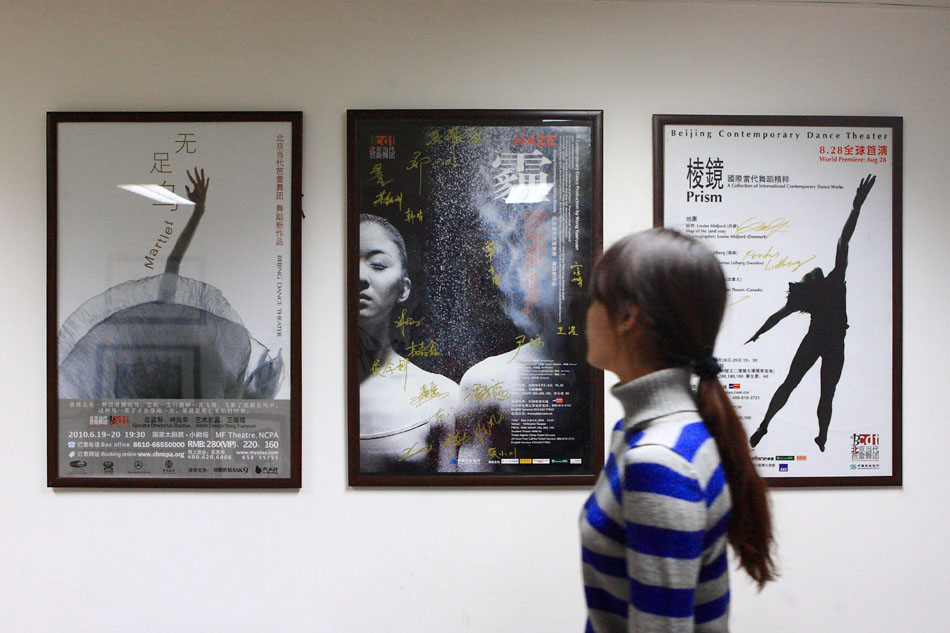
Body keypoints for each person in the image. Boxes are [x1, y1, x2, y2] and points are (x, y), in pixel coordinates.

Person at [580, 228, 776, 633]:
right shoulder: (650, 433)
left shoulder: (658, 459)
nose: (586, 313)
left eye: (595, 299)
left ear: (627, 317)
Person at [58, 168, 283, 399]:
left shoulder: (176, 335)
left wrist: (198, 212)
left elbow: (173, 263)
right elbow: (172, 264)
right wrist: (198, 211)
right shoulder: (164, 335)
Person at [746, 174, 875, 451]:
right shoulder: (832, 282)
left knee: (798, 386)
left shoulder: (817, 291)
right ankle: (813, 433)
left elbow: (775, 317)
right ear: (812, 280)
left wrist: (758, 333)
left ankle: (788, 429)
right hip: (829, 342)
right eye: (811, 272)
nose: (814, 269)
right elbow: (844, 242)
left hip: (819, 340)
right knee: (819, 391)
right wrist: (856, 207)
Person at [357, 214, 459, 472]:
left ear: (403, 289)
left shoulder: (442, 395)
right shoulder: (284, 382)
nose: (359, 276)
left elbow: (456, 499)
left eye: (378, 265)